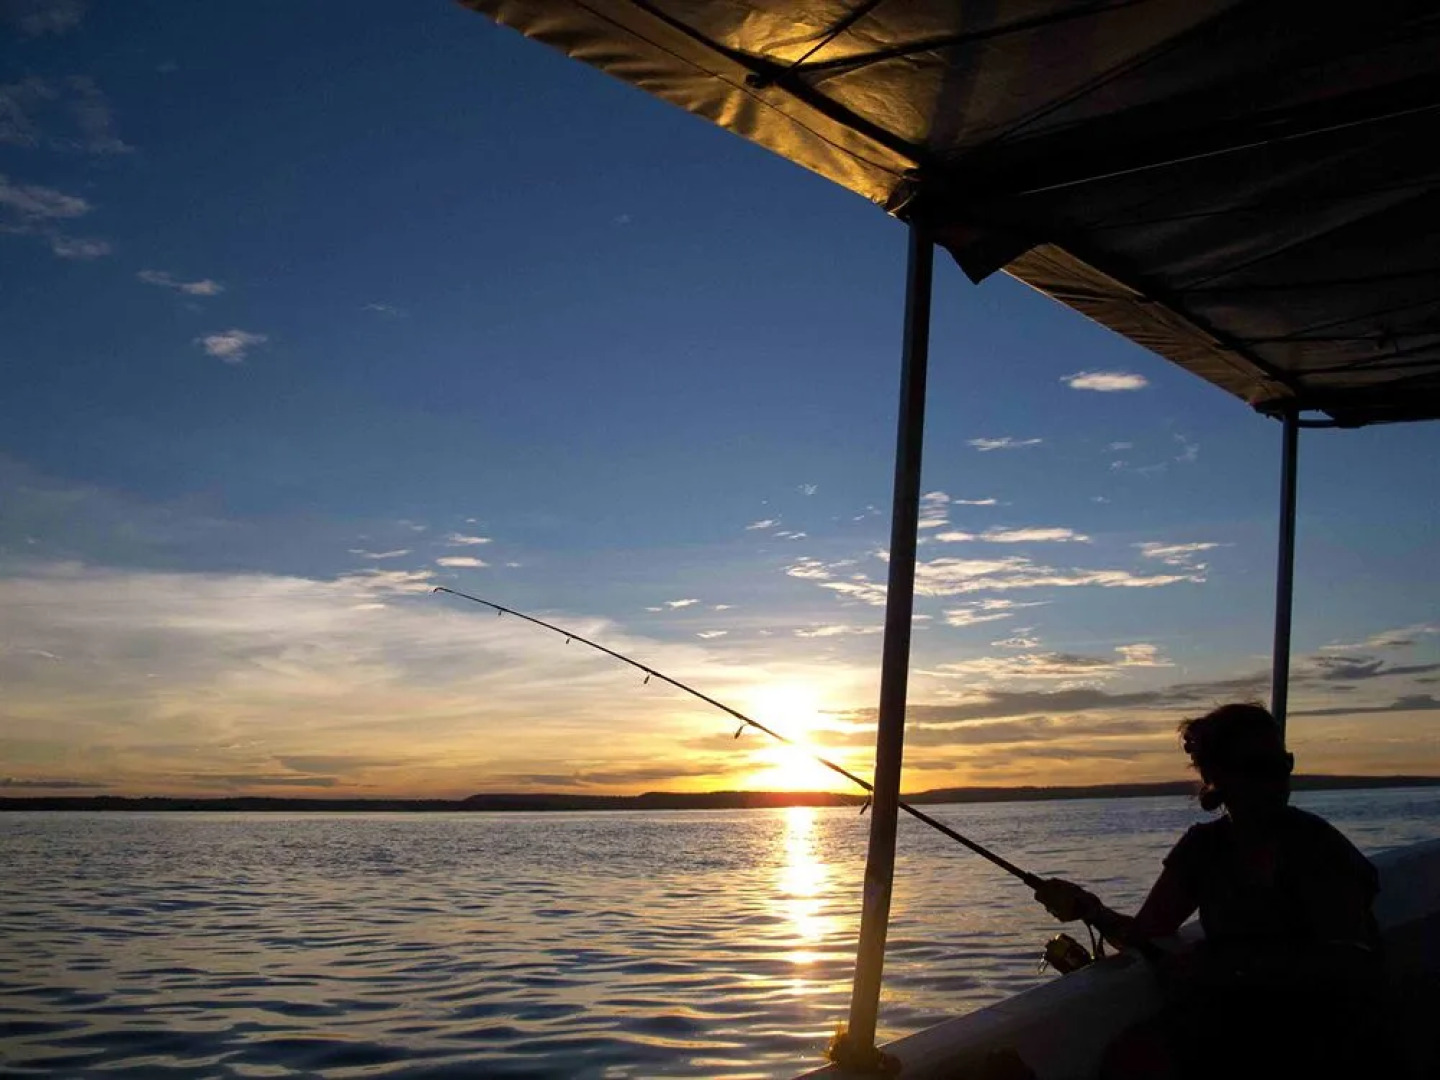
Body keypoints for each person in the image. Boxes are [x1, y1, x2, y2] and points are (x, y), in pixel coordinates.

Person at [1033, 702, 1384, 1080]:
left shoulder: (1320, 846)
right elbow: (1146, 934)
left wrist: (1227, 967)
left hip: (1319, 1030)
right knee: (1130, 1057)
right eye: (1258, 767)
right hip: (1234, 1024)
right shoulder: (1203, 849)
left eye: (1283, 764)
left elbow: (1352, 961)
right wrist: (1092, 911)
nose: (1277, 779)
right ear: (1218, 775)